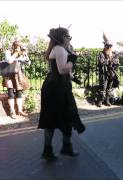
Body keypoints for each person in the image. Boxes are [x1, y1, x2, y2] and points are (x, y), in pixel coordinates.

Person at [38, 27, 86, 161]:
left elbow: (63, 72)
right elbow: (62, 70)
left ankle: (57, 149)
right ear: (62, 37)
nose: (70, 38)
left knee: (54, 118)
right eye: (68, 36)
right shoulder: (59, 49)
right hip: (57, 89)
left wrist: (73, 77)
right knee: (65, 116)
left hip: (56, 86)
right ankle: (64, 148)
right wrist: (72, 61)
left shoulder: (59, 49)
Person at [2, 38, 30, 119]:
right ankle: (12, 111)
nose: (19, 47)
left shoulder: (22, 52)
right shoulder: (8, 52)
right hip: (9, 74)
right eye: (17, 45)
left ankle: (20, 110)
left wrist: (25, 55)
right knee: (11, 93)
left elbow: (28, 63)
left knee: (19, 92)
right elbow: (9, 61)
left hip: (19, 74)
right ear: (13, 45)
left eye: (19, 46)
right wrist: (16, 53)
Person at [96, 33, 119, 107]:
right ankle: (100, 101)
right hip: (104, 73)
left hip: (111, 73)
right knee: (103, 87)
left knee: (109, 88)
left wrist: (113, 61)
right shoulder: (101, 53)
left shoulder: (114, 54)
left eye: (110, 46)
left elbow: (117, 62)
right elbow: (101, 62)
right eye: (107, 45)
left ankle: (107, 101)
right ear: (105, 46)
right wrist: (108, 60)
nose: (108, 47)